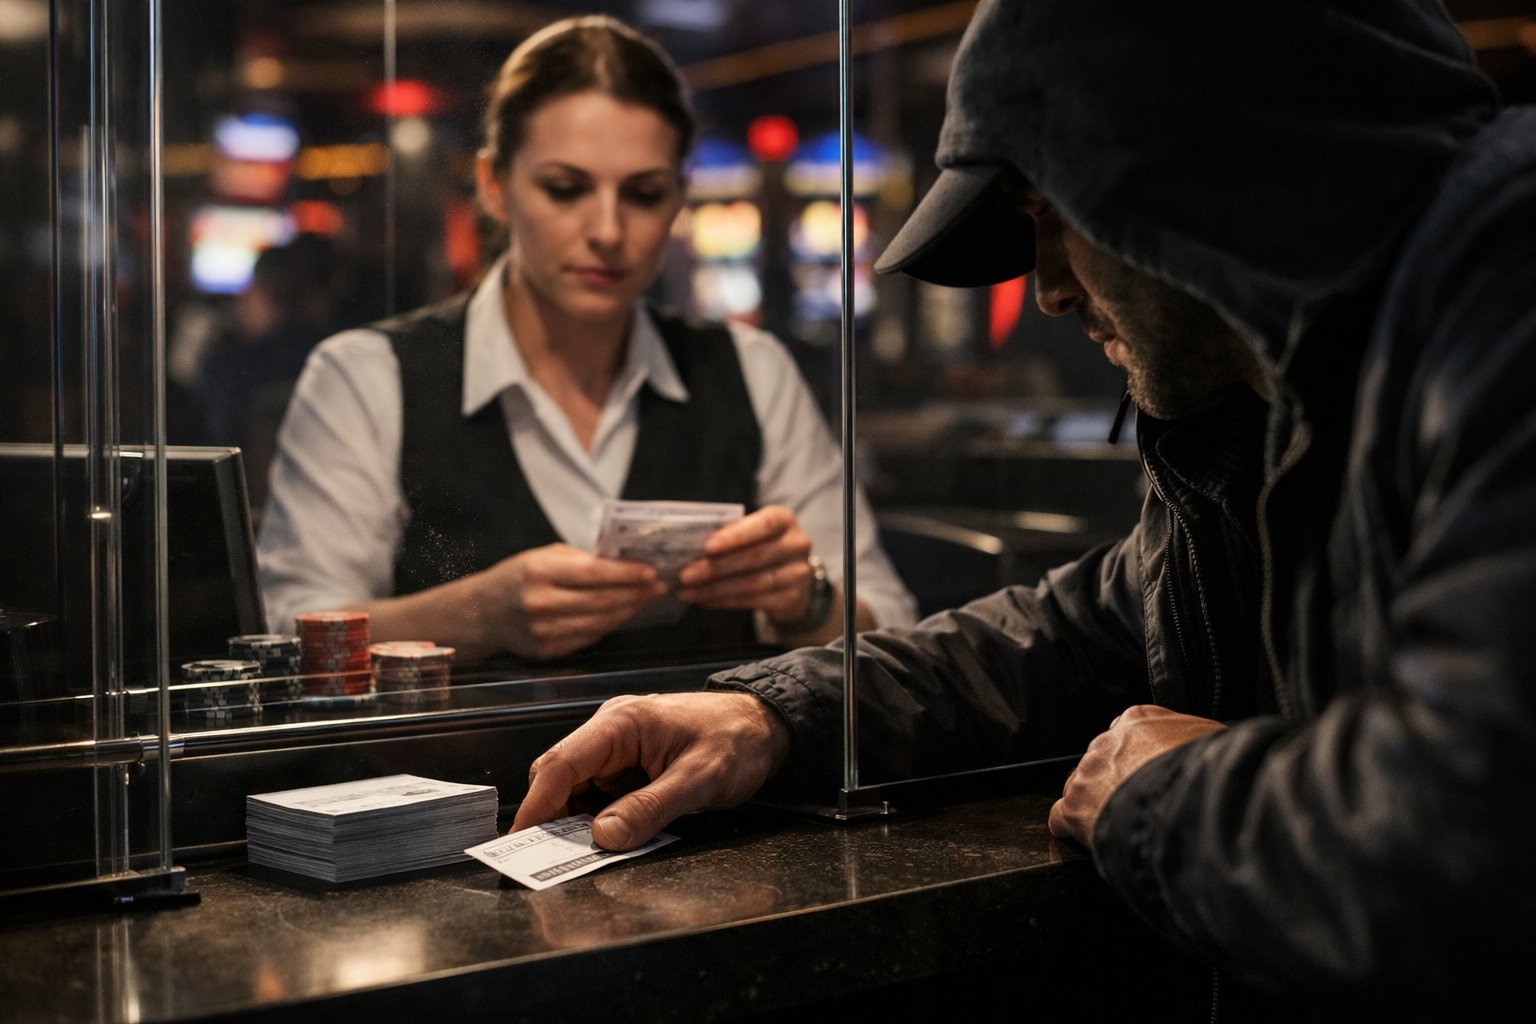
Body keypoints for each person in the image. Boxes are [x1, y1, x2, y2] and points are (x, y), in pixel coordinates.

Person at [512, 0, 1536, 1015]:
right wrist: (776, 714)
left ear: (1201, 173)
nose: (1047, 290)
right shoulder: (1269, 413)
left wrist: (1162, 797)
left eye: (1052, 215)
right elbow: (1069, 638)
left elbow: (1470, 844)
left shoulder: (1506, 285)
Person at [256, 15, 916, 665]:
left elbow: (891, 629)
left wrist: (805, 600)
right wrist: (478, 615)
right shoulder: (367, 376)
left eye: (644, 194)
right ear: (494, 186)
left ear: (679, 199)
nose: (606, 230)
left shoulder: (751, 369)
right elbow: (290, 635)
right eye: (565, 189)